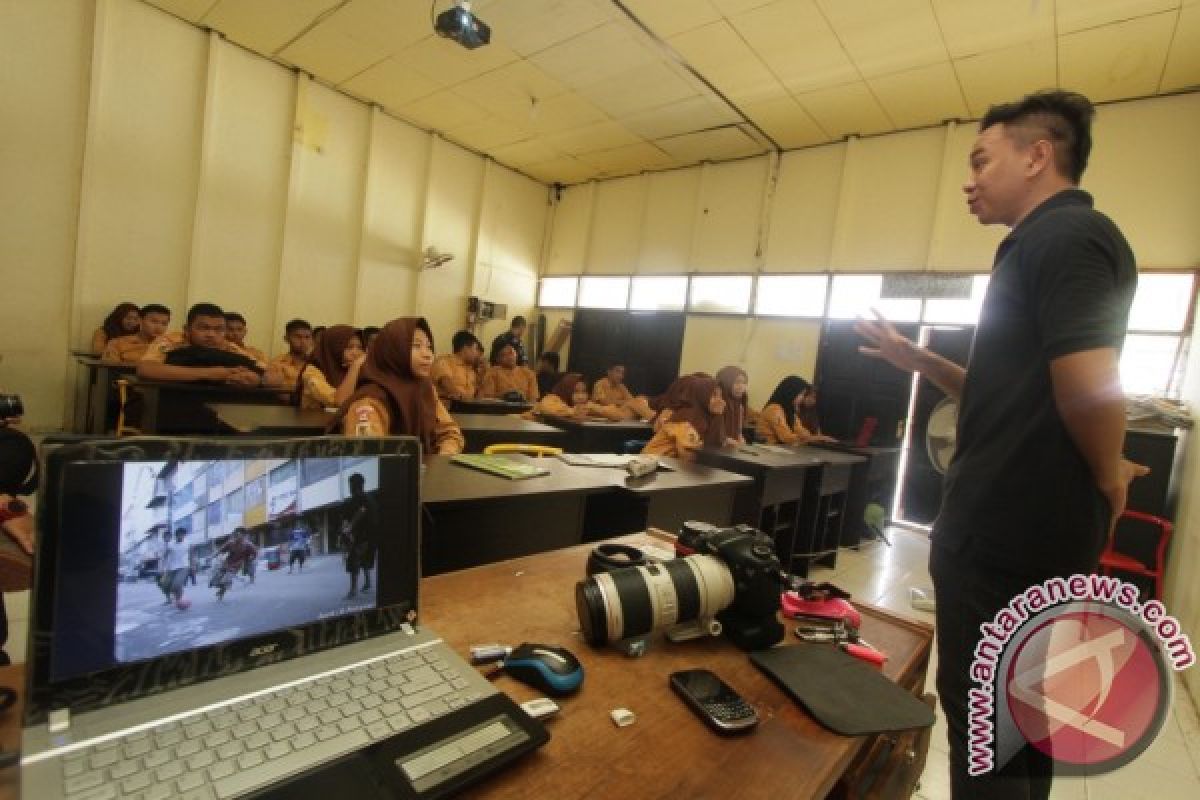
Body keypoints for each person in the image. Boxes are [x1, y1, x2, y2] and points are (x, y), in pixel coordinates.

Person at [856, 90, 1144, 800]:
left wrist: (1109, 477)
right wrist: (917, 360)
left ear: (1038, 155)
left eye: (983, 159)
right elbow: (1007, 392)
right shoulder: (1043, 247)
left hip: (1009, 543)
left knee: (993, 733)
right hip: (1008, 539)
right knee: (1009, 727)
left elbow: (1087, 381)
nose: (970, 178)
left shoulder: (1068, 238)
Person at [333, 317, 464, 454]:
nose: (428, 355)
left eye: (429, 347)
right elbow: (369, 456)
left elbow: (450, 432)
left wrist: (442, 457)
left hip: (424, 470)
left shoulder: (424, 388)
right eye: (416, 346)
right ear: (393, 350)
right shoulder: (370, 400)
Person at [138, 302, 281, 386]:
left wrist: (259, 379)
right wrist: (209, 373)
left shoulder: (229, 347)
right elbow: (147, 369)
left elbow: (276, 376)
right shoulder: (171, 341)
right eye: (203, 328)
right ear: (187, 330)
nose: (211, 334)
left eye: (219, 329)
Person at [641, 374, 726, 461]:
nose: (720, 400)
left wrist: (719, 416)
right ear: (702, 396)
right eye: (714, 395)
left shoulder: (706, 417)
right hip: (651, 466)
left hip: (670, 465)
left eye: (721, 396)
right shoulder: (687, 418)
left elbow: (714, 446)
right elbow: (688, 456)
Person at [756, 376, 837, 446]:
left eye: (803, 394)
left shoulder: (789, 410)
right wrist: (815, 438)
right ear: (790, 392)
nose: (802, 398)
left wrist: (818, 438)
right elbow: (786, 437)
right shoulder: (774, 409)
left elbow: (801, 431)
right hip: (767, 453)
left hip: (781, 451)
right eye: (800, 394)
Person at [297, 324, 362, 410]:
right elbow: (338, 401)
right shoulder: (311, 372)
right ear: (332, 347)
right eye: (349, 347)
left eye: (359, 348)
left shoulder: (354, 369)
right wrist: (355, 367)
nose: (356, 353)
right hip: (315, 421)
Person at [340, 473, 378, 598]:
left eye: (351, 485)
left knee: (353, 560)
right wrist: (346, 528)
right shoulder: (367, 498)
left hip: (363, 536)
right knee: (364, 560)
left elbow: (361, 511)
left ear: (355, 485)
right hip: (368, 537)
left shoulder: (361, 498)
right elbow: (346, 517)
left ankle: (353, 591)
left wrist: (349, 527)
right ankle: (367, 583)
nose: (350, 487)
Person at [532, 373, 627, 421]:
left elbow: (617, 415)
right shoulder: (553, 398)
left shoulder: (587, 405)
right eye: (576, 392)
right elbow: (546, 407)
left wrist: (596, 409)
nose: (581, 397)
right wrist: (572, 411)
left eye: (584, 392)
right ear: (567, 389)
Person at [101, 304, 171, 362]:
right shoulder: (117, 343)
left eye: (164, 324)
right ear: (140, 320)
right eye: (154, 321)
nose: (159, 327)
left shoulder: (170, 347)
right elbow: (111, 369)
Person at [430, 330, 484, 402]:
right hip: (448, 409)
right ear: (466, 348)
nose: (477, 354)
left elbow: (477, 393)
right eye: (476, 349)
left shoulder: (471, 369)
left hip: (466, 409)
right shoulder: (444, 362)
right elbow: (448, 385)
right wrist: (466, 399)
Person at [212, 528, 257, 601]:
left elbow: (255, 554)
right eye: (235, 534)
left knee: (226, 579)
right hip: (226, 563)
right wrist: (213, 556)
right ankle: (223, 589)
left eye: (238, 534)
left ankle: (222, 591)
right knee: (216, 580)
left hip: (236, 566)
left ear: (243, 535)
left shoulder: (248, 545)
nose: (236, 536)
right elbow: (220, 550)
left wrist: (249, 560)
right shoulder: (230, 543)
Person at [268, 319, 314, 388]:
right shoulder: (277, 364)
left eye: (307, 337)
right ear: (286, 338)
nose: (303, 341)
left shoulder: (316, 363)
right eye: (298, 337)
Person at [716, 366, 749, 445]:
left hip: (731, 450)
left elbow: (739, 432)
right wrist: (725, 440)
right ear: (726, 382)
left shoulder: (740, 405)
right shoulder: (717, 403)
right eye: (737, 382)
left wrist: (740, 438)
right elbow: (713, 431)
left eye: (744, 383)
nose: (741, 387)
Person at [160, 528, 191, 610]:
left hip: (183, 567)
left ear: (184, 535)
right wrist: (162, 567)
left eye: (183, 535)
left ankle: (179, 600)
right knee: (165, 584)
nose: (181, 537)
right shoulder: (170, 544)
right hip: (171, 568)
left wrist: (192, 565)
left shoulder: (187, 543)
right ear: (176, 535)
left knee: (176, 584)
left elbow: (191, 553)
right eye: (179, 535)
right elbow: (165, 556)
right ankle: (178, 598)